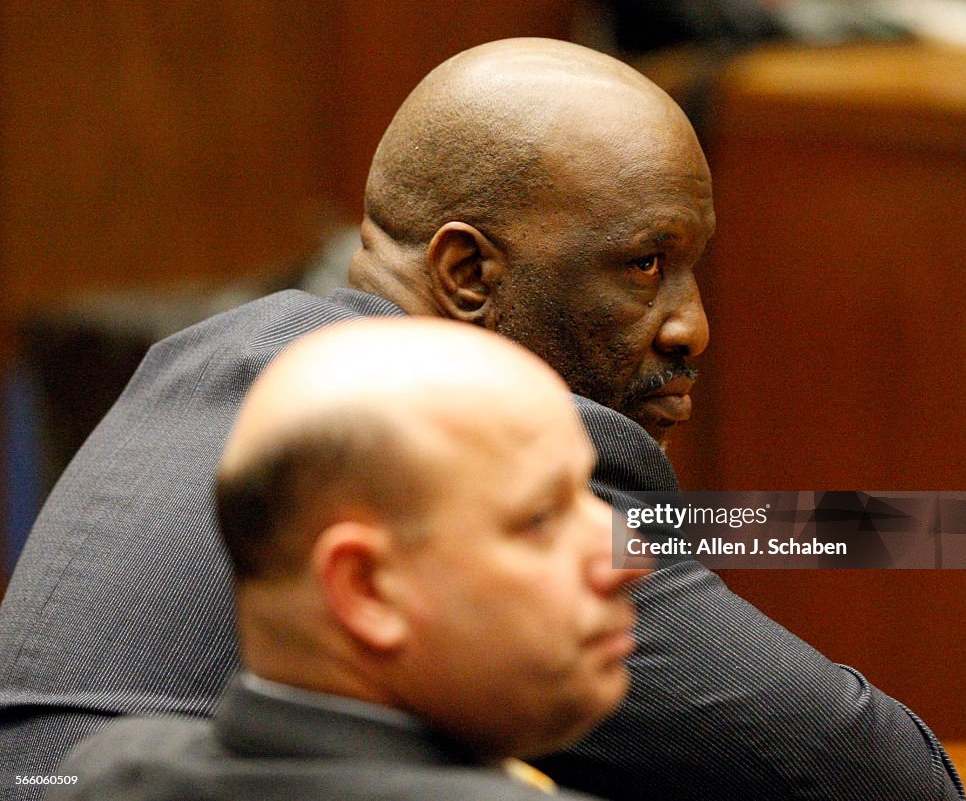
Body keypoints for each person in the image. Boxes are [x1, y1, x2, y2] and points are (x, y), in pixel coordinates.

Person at [0, 38, 962, 801]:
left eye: (693, 266)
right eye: (640, 266)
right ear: (467, 276)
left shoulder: (217, 356)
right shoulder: (461, 444)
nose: (693, 327)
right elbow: (872, 774)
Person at [46, 319, 641, 800]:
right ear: (366, 589)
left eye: (590, 491)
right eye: (540, 518)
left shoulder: (102, 775)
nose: (629, 555)